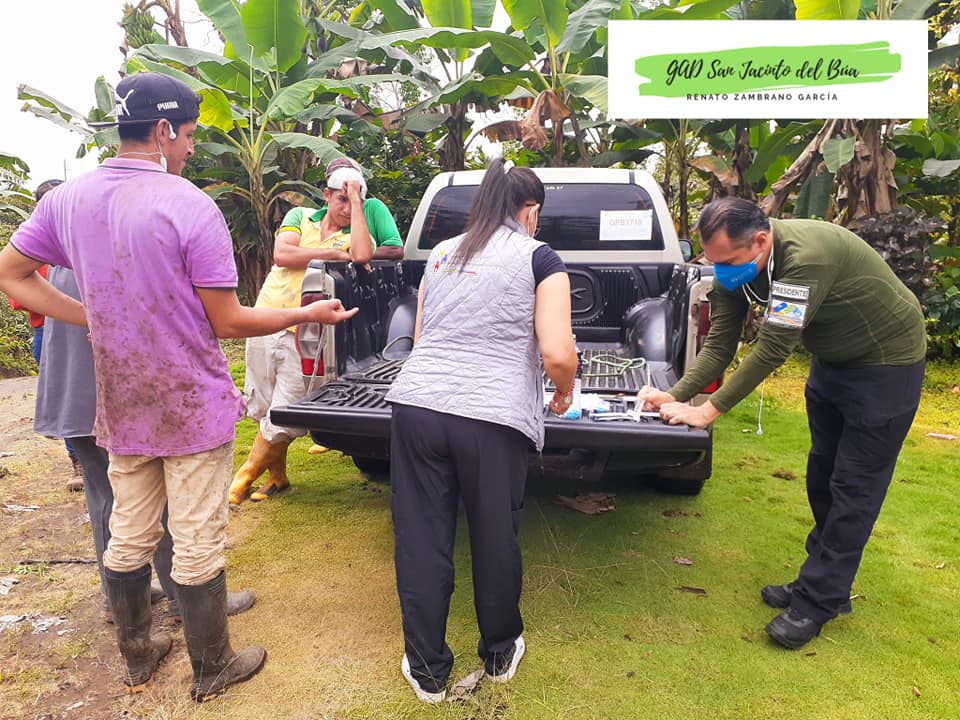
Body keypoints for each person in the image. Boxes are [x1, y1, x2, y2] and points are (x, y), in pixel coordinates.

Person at [0, 72, 358, 701]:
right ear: (163, 130)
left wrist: (90, 317)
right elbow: (227, 321)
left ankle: (138, 654)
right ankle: (212, 666)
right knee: (196, 537)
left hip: (122, 401)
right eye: (189, 134)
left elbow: (12, 273)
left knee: (128, 531)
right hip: (189, 402)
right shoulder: (190, 205)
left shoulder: (67, 200)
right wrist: (305, 314)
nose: (191, 147)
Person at [637, 197, 926, 650]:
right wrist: (675, 394)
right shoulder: (736, 267)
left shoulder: (807, 259)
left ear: (760, 240)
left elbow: (772, 349)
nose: (721, 271)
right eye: (713, 261)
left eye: (728, 261)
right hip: (832, 363)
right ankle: (825, 582)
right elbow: (720, 345)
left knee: (855, 487)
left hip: (887, 366)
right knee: (822, 476)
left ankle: (817, 601)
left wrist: (708, 411)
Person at [385, 158, 578, 702]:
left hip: (418, 406)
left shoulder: (443, 252)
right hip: (492, 417)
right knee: (494, 532)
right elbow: (558, 352)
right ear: (530, 211)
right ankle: (499, 651)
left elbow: (423, 334)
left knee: (421, 536)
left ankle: (427, 669)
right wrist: (564, 390)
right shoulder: (540, 257)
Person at [34, 265, 256, 625]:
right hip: (116, 391)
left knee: (103, 493)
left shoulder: (64, 248)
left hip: (75, 388)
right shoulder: (114, 249)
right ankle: (183, 598)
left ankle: (118, 596)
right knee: (154, 488)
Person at [229, 156, 403, 504]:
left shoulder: (355, 233)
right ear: (326, 195)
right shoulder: (299, 216)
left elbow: (362, 255)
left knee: (289, 405)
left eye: (353, 201)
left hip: (306, 330)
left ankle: (244, 475)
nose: (346, 208)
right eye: (341, 199)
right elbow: (282, 254)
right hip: (266, 316)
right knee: (263, 403)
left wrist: (357, 203)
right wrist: (333, 255)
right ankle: (277, 476)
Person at [6, 178, 83, 491]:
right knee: (66, 394)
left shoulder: (81, 240)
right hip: (47, 330)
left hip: (84, 329)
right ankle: (78, 459)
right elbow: (18, 297)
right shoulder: (33, 247)